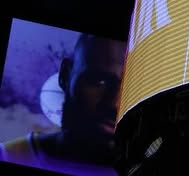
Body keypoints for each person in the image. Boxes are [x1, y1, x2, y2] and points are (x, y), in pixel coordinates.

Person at [0, 34, 125, 175]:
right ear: (65, 76)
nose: (114, 104)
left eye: (131, 89)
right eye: (99, 81)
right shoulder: (8, 156)